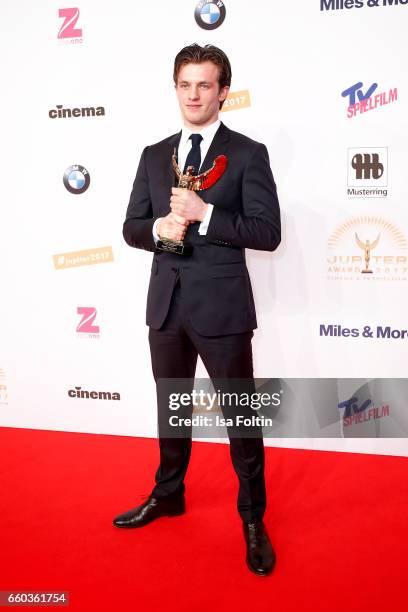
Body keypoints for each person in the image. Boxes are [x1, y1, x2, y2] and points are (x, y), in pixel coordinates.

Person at [114, 44, 281, 577]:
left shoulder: (249, 153)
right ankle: (169, 494)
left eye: (204, 85)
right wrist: (156, 230)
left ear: (223, 91)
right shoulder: (152, 153)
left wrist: (208, 214)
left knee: (239, 416)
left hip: (223, 307)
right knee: (173, 408)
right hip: (165, 305)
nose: (193, 94)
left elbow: (267, 233)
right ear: (176, 88)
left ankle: (253, 519)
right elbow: (131, 227)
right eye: (185, 84)